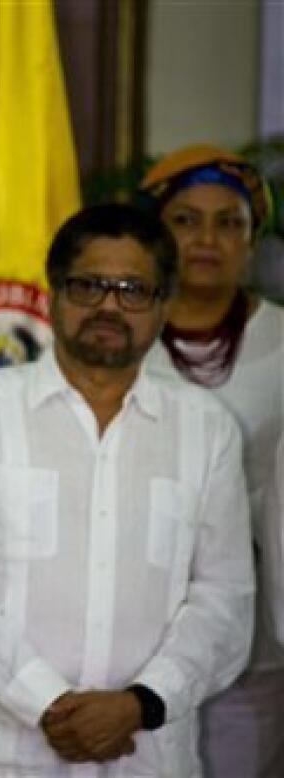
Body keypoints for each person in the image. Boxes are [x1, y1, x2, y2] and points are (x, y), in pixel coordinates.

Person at [0, 203, 254, 776]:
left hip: (147, 756)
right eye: (89, 285)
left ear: (164, 305)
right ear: (54, 294)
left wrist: (140, 704)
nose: (109, 305)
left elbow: (225, 598)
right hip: (6, 758)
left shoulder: (206, 428)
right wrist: (46, 702)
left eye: (132, 289)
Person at [138, 144, 284, 777]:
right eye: (186, 219)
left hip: (249, 642)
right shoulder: (117, 334)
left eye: (230, 222)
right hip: (125, 630)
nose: (207, 237)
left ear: (252, 241)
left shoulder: (281, 343)